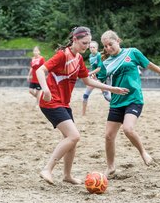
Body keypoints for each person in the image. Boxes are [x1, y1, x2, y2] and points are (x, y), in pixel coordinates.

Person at [36, 26, 129, 185]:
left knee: (70, 139)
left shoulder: (78, 59)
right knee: (74, 136)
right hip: (51, 102)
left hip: (63, 102)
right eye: (83, 43)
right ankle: (47, 169)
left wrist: (111, 88)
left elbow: (87, 81)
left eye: (88, 43)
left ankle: (67, 175)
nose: (86, 46)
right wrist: (45, 89)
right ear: (75, 40)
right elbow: (40, 70)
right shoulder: (62, 55)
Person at [97, 30, 160, 177]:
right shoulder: (106, 63)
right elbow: (100, 81)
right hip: (116, 102)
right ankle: (110, 167)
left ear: (118, 41)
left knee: (128, 129)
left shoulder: (132, 52)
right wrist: (97, 82)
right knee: (108, 136)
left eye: (111, 44)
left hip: (134, 99)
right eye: (105, 46)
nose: (108, 48)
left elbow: (149, 64)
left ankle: (143, 153)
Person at [82, 41, 111, 116]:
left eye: (93, 47)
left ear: (97, 48)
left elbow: (99, 68)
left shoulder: (99, 56)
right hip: (94, 77)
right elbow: (93, 68)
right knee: (85, 95)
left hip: (101, 78)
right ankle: (83, 114)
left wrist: (89, 73)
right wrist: (92, 74)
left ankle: (118, 106)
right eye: (90, 47)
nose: (92, 49)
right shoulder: (91, 56)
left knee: (107, 97)